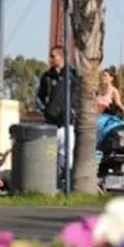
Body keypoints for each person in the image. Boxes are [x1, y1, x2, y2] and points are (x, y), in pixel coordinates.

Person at [36, 46, 81, 178]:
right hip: (51, 123)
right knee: (49, 153)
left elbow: (78, 95)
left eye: (52, 56)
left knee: (67, 154)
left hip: (68, 123)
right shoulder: (47, 76)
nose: (50, 59)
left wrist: (74, 110)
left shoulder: (72, 75)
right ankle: (50, 179)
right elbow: (40, 96)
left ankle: (65, 179)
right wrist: (45, 110)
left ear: (61, 57)